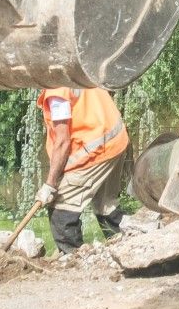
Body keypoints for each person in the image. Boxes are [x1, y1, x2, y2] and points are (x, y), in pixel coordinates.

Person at [32, 85, 129, 252]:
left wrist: (50, 184)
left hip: (96, 149)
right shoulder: (75, 69)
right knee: (105, 204)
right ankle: (127, 248)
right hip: (114, 140)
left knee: (62, 207)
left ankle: (73, 260)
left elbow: (62, 142)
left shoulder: (57, 90)